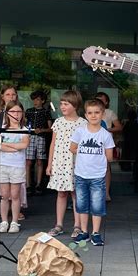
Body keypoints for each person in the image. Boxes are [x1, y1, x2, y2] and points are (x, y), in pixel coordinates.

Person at [70, 99, 115, 246]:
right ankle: (84, 232)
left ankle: (95, 233)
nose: (93, 115)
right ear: (86, 114)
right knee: (82, 204)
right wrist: (83, 152)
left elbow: (110, 157)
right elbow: (72, 148)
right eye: (90, 113)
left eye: (97, 112)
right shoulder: (80, 131)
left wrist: (97, 153)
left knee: (97, 205)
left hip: (97, 175)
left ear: (103, 114)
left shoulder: (105, 135)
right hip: (81, 174)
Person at [46, 89, 86, 237]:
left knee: (76, 193)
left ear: (75, 105)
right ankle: (59, 224)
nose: (62, 107)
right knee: (61, 193)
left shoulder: (83, 123)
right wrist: (49, 164)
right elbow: (53, 144)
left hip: (76, 163)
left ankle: (77, 225)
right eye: (61, 104)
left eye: (66, 104)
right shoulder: (58, 122)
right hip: (60, 163)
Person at [0, 85, 28, 220]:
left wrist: (10, 146)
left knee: (16, 181)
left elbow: (24, 141)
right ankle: (0, 209)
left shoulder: (17, 112)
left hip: (15, 153)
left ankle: (16, 208)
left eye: (13, 94)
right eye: (8, 94)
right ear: (2, 96)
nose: (11, 97)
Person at [0, 101, 29, 233]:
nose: (16, 114)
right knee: (4, 195)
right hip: (3, 165)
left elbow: (24, 145)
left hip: (17, 166)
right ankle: (4, 221)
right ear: (7, 113)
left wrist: (7, 146)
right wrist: (14, 147)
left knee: (15, 194)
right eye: (13, 112)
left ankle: (15, 221)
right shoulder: (2, 128)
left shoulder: (24, 129)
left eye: (19, 112)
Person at [95, 92, 122, 201]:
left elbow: (119, 127)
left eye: (102, 100)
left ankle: (106, 193)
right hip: (93, 142)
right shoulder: (92, 112)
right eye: (97, 99)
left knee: (106, 168)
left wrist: (106, 130)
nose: (100, 101)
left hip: (106, 143)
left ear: (106, 102)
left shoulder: (110, 113)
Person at [25, 90, 52, 194]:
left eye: (38, 99)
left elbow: (51, 128)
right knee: (28, 161)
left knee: (40, 161)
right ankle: (28, 185)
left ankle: (38, 184)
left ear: (43, 101)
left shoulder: (46, 112)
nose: (35, 102)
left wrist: (42, 130)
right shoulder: (29, 111)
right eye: (34, 100)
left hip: (41, 137)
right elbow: (25, 125)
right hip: (30, 137)